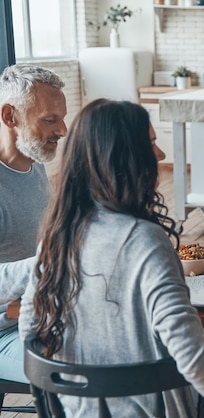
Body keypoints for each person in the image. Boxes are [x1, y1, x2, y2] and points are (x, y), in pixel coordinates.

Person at [18, 99, 204, 418]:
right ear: (125, 159)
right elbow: (188, 350)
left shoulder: (58, 234)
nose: (160, 156)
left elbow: (29, 326)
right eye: (151, 144)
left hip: (77, 411)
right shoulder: (146, 242)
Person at [0, 63, 67, 384]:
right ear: (10, 117)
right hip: (6, 333)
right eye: (50, 120)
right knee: (102, 368)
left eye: (61, 118)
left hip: (48, 314)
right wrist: (47, 265)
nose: (63, 130)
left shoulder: (34, 164)